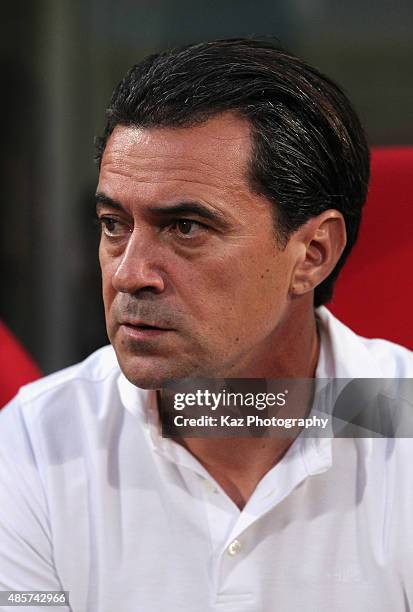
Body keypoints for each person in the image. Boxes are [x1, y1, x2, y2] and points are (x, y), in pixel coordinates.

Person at [0, 38, 412, 612]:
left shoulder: (401, 420)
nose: (129, 273)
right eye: (113, 223)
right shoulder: (39, 443)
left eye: (187, 228)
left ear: (313, 252)